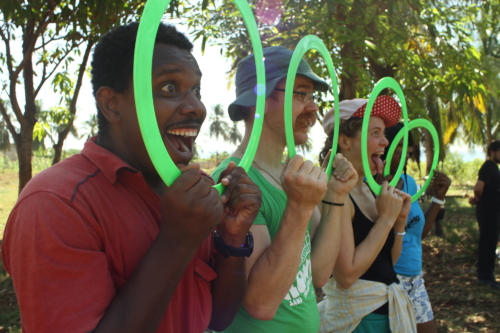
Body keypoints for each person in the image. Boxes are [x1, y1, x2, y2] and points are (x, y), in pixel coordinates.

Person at [1, 22, 263, 333]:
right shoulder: (55, 205)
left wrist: (232, 240)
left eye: (196, 90)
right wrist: (178, 239)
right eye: (169, 88)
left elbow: (218, 318)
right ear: (112, 104)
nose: (197, 107)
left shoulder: (193, 192)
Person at [211, 46, 358, 332]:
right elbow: (260, 303)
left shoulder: (289, 177)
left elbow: (317, 275)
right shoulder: (234, 181)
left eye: (312, 96)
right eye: (300, 94)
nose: (314, 107)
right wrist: (301, 207)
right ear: (260, 100)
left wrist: (336, 197)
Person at [318, 97, 416, 333]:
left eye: (383, 133)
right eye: (376, 133)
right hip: (359, 321)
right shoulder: (336, 192)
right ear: (345, 141)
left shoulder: (370, 188)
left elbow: (387, 263)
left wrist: (398, 221)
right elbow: (346, 275)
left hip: (385, 316)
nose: (385, 142)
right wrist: (385, 220)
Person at [383, 123, 451, 333]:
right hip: (388, 282)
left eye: (407, 145)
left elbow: (417, 233)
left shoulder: (409, 182)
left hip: (415, 279)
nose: (404, 150)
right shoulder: (373, 185)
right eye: (398, 144)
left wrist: (438, 199)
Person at [469, 140, 500, 289]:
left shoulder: (494, 167)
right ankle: (485, 276)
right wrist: (478, 198)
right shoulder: (488, 166)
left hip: (493, 212)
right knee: (487, 242)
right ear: (493, 152)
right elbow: (478, 187)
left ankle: (488, 274)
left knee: (491, 241)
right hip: (488, 212)